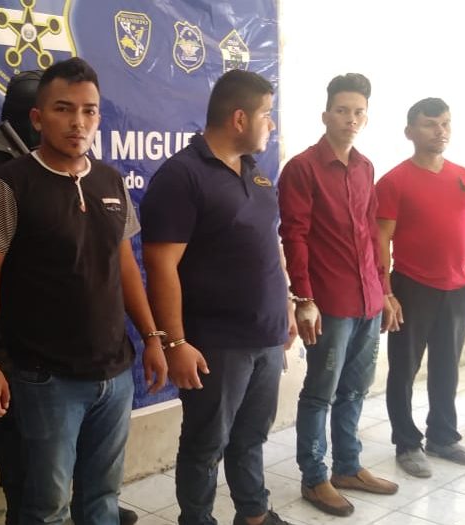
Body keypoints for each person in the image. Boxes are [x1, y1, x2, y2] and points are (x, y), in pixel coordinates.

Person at [0, 57, 167, 525]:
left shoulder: (110, 180)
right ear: (38, 118)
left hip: (114, 374)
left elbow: (125, 266)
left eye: (89, 111)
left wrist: (153, 337)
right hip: (46, 380)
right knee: (47, 506)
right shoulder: (6, 185)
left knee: (102, 498)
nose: (78, 122)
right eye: (64, 109)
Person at [140, 69, 295, 525]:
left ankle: (254, 514)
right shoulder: (182, 176)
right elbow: (160, 266)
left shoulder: (255, 172)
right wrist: (175, 342)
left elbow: (270, 243)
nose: (272, 125)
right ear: (239, 118)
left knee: (251, 437)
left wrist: (286, 305)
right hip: (217, 344)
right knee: (205, 444)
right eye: (267, 115)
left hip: (265, 336)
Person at [278, 73, 398, 517]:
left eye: (359, 112)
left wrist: (384, 291)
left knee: (355, 390)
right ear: (326, 115)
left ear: (366, 117)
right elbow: (294, 235)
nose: (351, 119)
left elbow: (371, 236)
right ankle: (315, 477)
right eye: (343, 110)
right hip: (330, 303)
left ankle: (348, 467)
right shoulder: (303, 168)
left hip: (368, 300)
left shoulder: (365, 167)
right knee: (320, 393)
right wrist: (303, 298)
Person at [376, 98, 465, 478]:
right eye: (430, 124)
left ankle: (443, 437)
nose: (440, 131)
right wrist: (386, 291)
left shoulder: (464, 177)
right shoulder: (394, 181)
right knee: (404, 369)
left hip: (457, 288)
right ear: (410, 131)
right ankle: (406, 443)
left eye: (445, 123)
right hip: (412, 288)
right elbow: (380, 240)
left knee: (447, 367)